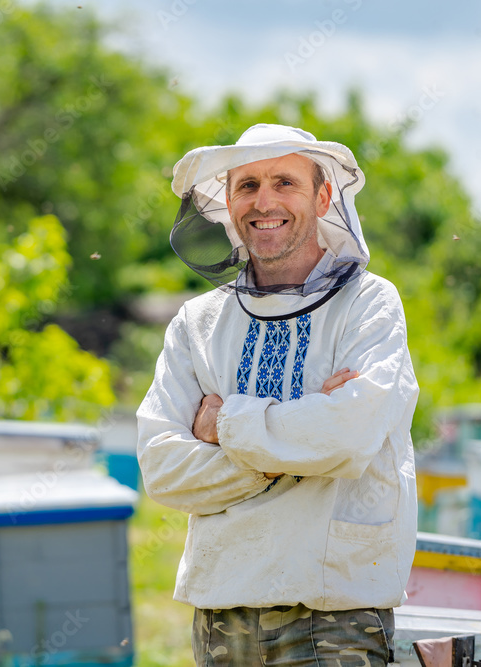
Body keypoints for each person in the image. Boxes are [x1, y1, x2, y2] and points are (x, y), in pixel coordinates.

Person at [136, 123, 419, 666]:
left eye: (284, 182)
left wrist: (225, 430)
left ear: (323, 195)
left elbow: (349, 437)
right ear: (227, 201)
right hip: (222, 615)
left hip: (335, 614)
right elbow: (161, 467)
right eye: (247, 185)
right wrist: (290, 451)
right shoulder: (198, 322)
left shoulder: (370, 306)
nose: (263, 201)